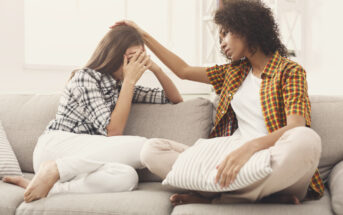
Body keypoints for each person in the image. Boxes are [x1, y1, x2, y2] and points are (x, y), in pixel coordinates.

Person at [112, 0, 323, 205]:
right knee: (151, 150)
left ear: (245, 28)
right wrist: (143, 36)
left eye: (225, 33)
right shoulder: (234, 72)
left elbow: (295, 127)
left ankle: (217, 196)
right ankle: (258, 195)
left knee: (306, 140)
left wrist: (249, 148)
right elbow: (183, 71)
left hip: (272, 159)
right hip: (232, 161)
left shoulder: (289, 71)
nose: (221, 43)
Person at [2, 25, 183, 203]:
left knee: (127, 177)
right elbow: (112, 132)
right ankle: (54, 168)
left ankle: (48, 186)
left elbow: (174, 98)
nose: (136, 64)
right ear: (114, 54)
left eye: (140, 59)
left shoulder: (120, 87)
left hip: (84, 163)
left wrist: (156, 69)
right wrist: (129, 81)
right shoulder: (86, 77)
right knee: (144, 147)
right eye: (132, 58)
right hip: (57, 147)